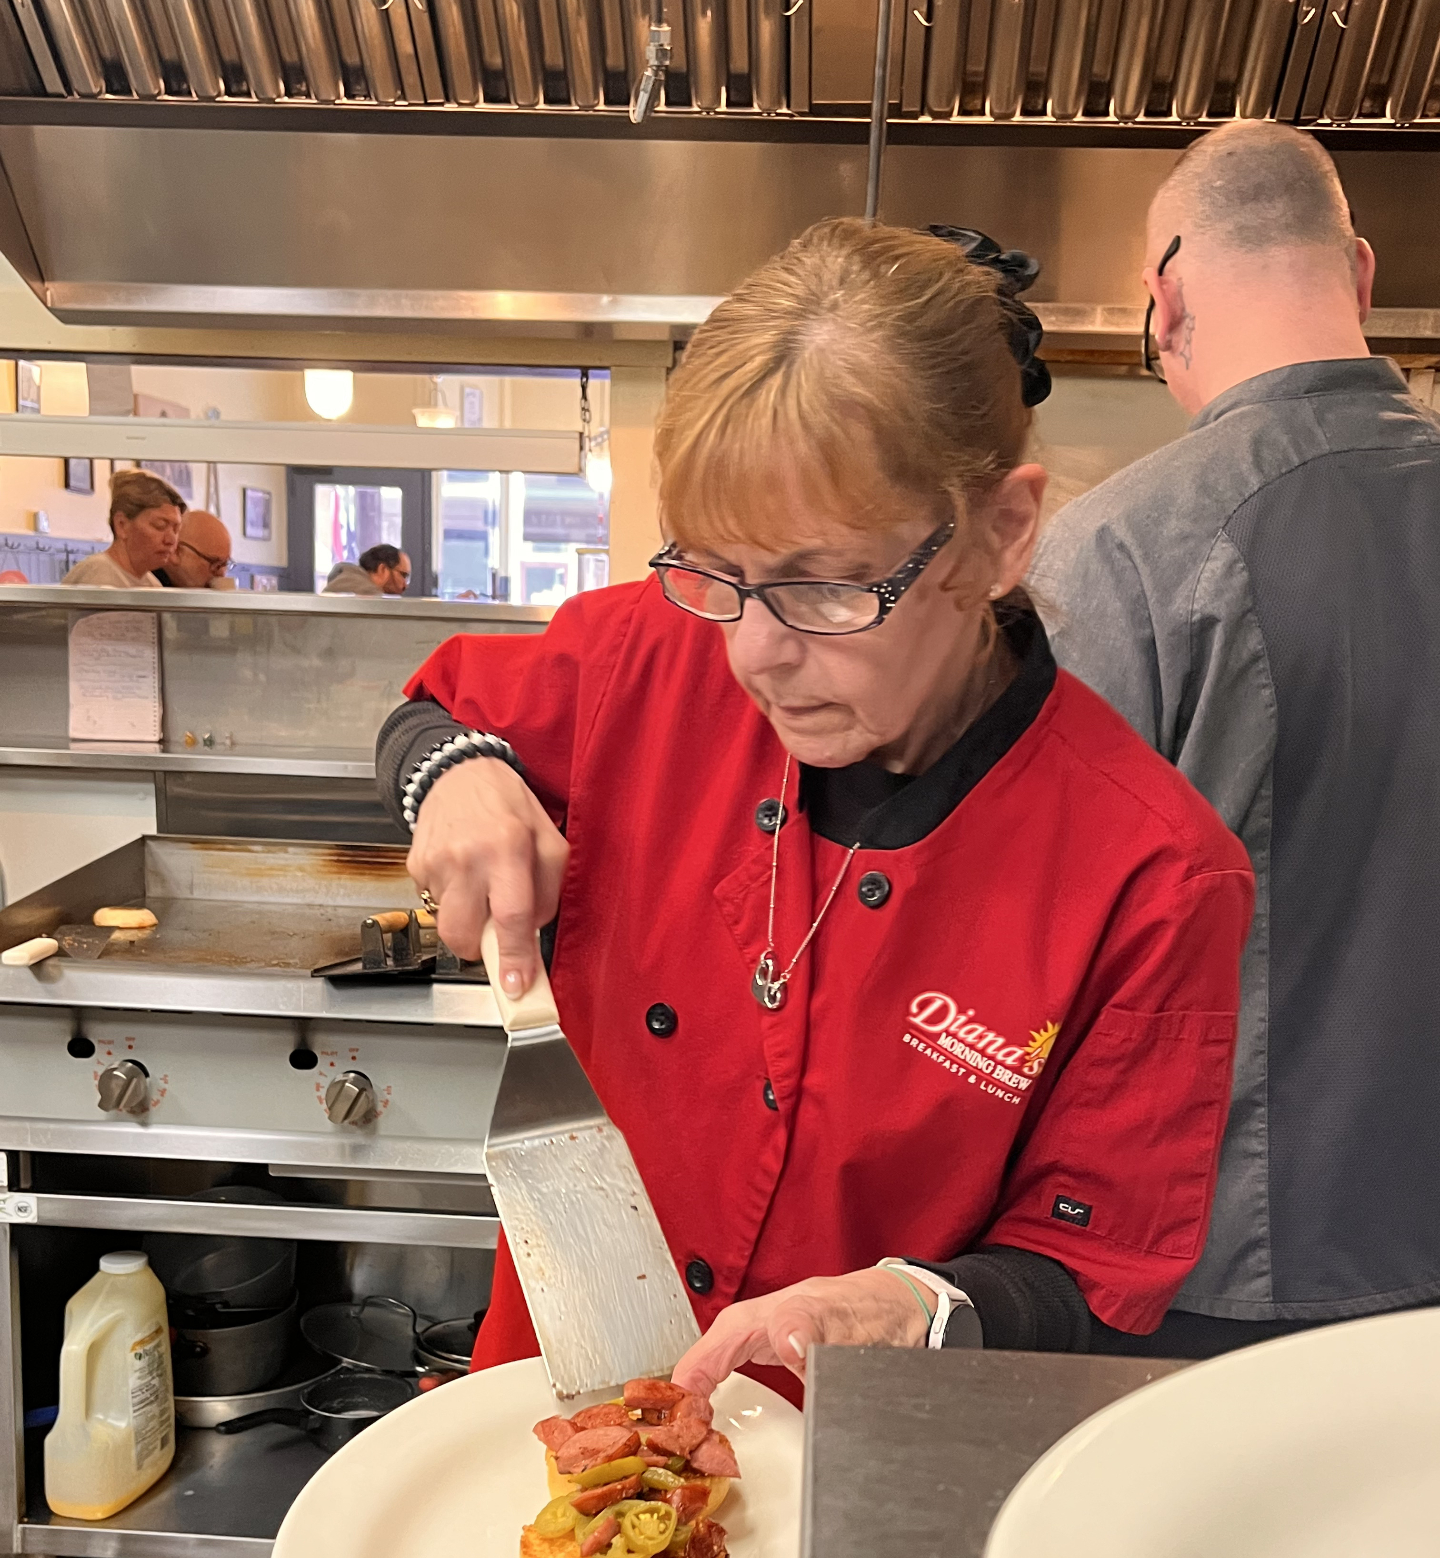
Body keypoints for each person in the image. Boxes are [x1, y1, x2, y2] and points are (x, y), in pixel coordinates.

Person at [377, 218, 1252, 1401]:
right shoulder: (656, 655)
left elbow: (1087, 1261)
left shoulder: (1150, 873)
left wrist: (921, 1301)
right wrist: (456, 773)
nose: (754, 654)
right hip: (553, 1396)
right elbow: (435, 709)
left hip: (865, 1456)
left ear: (998, 534)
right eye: (715, 572)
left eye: (824, 585)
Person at [1031, 123, 1440, 1358]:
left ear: (1163, 303)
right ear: (1359, 274)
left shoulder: (1123, 549)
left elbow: (1039, 938)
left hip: (1218, 1279)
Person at [62, 469, 183, 588]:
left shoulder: (152, 583)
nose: (171, 540)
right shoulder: (98, 576)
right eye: (160, 525)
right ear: (122, 525)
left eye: (176, 529)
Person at [153, 509, 232, 588]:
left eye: (225, 564)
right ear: (175, 551)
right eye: (215, 565)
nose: (221, 574)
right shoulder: (146, 589)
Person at [322, 544, 411, 596]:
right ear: (382, 569)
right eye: (403, 575)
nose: (405, 585)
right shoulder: (367, 595)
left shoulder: (344, 583)